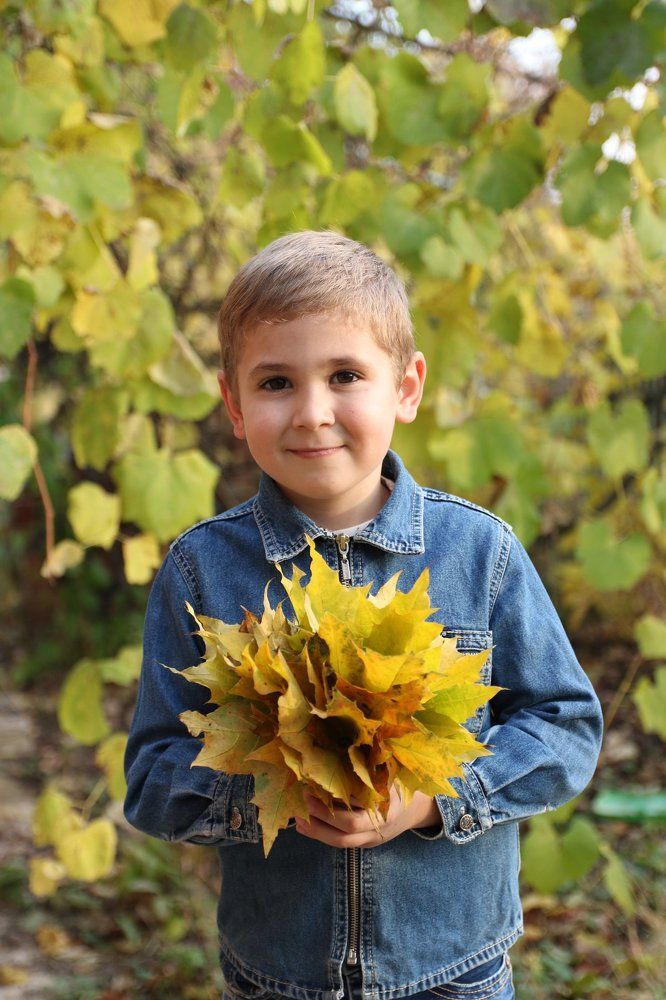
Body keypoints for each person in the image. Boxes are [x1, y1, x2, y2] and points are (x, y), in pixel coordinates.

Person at [124, 230, 604, 1000]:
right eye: (276, 382)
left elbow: (565, 726)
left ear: (406, 388)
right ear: (234, 404)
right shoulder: (200, 571)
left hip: (455, 970)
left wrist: (433, 799)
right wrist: (272, 791)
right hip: (279, 975)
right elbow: (152, 777)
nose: (313, 413)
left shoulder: (480, 553)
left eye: (345, 375)